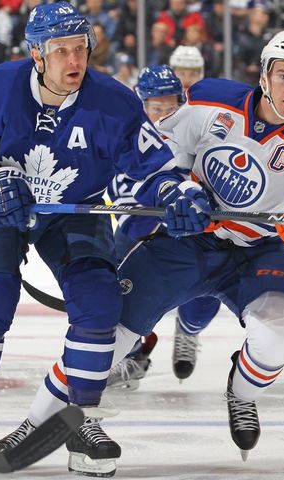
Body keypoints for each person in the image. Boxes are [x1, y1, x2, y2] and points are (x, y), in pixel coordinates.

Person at [0, 30, 284, 463]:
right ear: (265, 73)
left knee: (281, 331)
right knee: (107, 337)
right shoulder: (212, 99)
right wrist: (177, 192)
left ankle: (241, 393)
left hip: (255, 251)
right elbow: (159, 152)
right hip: (185, 241)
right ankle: (35, 421)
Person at [0, 3, 184, 477]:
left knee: (98, 303)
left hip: (75, 210)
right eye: (61, 51)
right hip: (0, 206)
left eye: (81, 48)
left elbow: (151, 171)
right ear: (36, 54)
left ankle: (81, 422)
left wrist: (178, 190)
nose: (75, 61)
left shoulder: (113, 101)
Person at [106, 64, 222, 387]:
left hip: (192, 229)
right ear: (140, 105)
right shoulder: (126, 137)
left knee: (210, 282)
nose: (164, 115)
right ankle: (132, 355)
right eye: (156, 108)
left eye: (171, 107)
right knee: (118, 275)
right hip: (146, 230)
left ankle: (189, 328)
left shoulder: (196, 133)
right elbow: (125, 206)